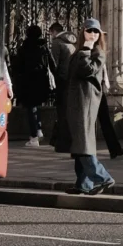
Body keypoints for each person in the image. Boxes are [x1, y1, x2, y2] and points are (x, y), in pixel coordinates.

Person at [66, 17, 115, 196]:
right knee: (79, 143)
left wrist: (86, 48)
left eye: (96, 32)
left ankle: (102, 177)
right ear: (83, 32)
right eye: (89, 30)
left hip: (85, 103)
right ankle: (83, 184)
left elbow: (87, 70)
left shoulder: (97, 52)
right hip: (76, 101)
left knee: (83, 143)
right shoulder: (80, 51)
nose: (93, 34)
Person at [11, 24, 52, 146]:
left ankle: (34, 136)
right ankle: (38, 131)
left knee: (31, 108)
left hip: (28, 82)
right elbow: (50, 63)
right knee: (35, 107)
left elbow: (18, 65)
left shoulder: (25, 47)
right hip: (40, 81)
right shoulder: (43, 47)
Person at [48, 21, 77, 153]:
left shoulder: (57, 42)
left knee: (61, 111)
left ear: (53, 31)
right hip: (72, 80)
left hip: (61, 80)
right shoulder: (72, 42)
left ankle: (61, 142)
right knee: (68, 110)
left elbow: (54, 63)